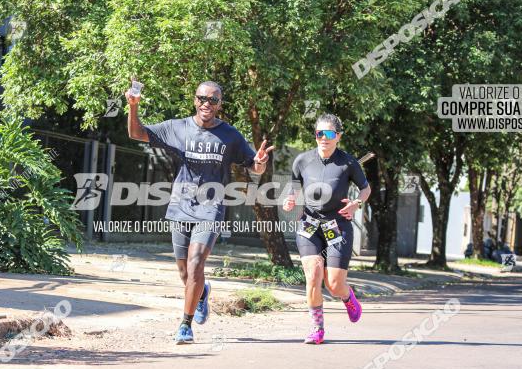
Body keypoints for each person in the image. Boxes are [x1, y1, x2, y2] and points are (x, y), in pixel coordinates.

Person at [126, 81, 273, 344]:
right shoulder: (177, 127)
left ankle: (185, 324)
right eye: (202, 98)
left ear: (219, 105)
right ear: (195, 100)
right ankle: (202, 293)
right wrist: (133, 107)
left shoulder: (230, 135)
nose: (207, 104)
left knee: (195, 265)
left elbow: (255, 167)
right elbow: (137, 133)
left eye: (213, 100)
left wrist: (260, 163)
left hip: (211, 208)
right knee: (185, 272)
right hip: (181, 206)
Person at [282, 113, 372, 344]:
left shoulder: (348, 162)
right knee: (313, 273)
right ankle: (317, 328)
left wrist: (357, 203)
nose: (324, 137)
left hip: (338, 225)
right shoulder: (302, 161)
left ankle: (348, 296)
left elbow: (365, 189)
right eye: (319, 133)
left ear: (338, 136)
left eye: (329, 133)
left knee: (334, 284)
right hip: (309, 224)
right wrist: (289, 200)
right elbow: (293, 190)